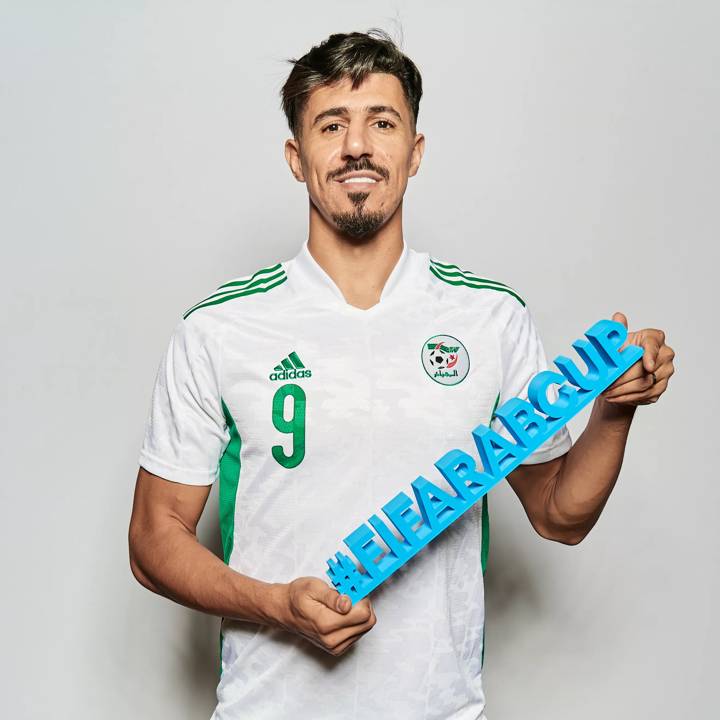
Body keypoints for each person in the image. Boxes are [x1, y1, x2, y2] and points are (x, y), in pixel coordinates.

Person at [128, 29, 675, 720]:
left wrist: (615, 407)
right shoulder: (218, 329)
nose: (358, 145)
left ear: (414, 153)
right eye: (333, 125)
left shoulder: (490, 318)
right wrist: (274, 604)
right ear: (297, 158)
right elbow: (153, 539)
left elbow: (561, 516)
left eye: (382, 123)